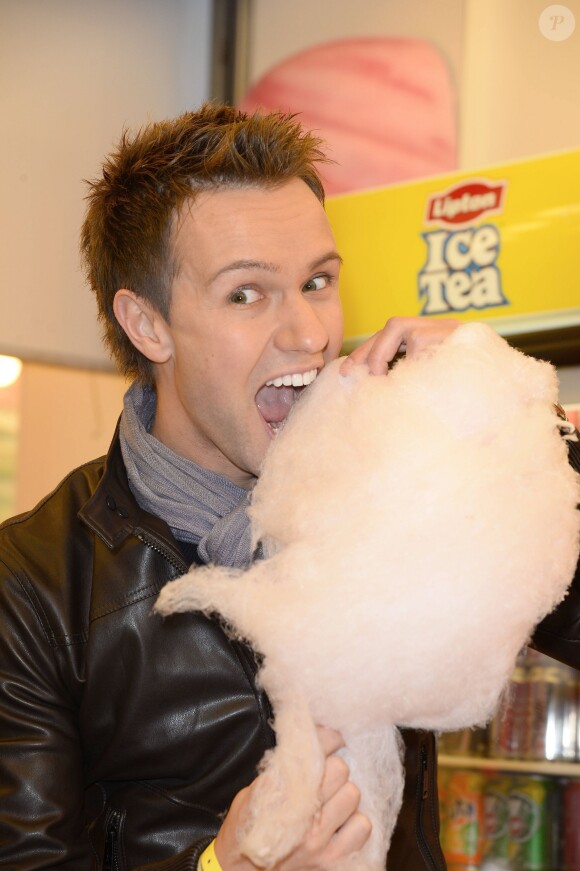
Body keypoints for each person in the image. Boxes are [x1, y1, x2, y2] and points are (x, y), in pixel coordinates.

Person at [0, 103, 578, 871]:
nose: (308, 331)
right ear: (148, 324)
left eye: (317, 281)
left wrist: (513, 431)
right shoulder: (31, 584)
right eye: (247, 293)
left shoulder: (393, 489)